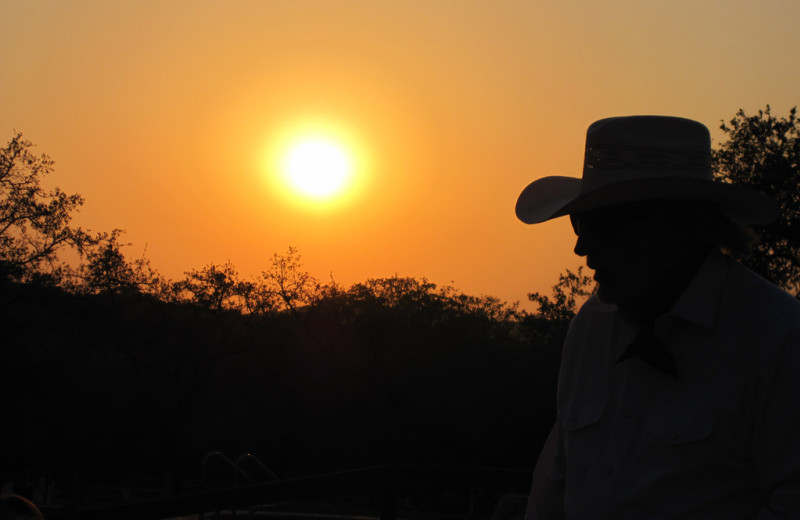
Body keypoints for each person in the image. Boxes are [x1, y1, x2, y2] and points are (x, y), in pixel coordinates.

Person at [515, 115, 800, 519]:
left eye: (603, 224)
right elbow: (556, 486)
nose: (581, 246)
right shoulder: (590, 326)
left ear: (675, 223)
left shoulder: (779, 338)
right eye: (579, 222)